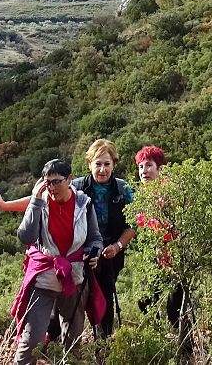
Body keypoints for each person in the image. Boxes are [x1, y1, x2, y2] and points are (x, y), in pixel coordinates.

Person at [8, 158, 104, 365]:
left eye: (56, 181)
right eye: (46, 182)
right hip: (44, 278)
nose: (50, 187)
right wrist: (35, 201)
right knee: (32, 339)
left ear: (69, 179)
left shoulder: (83, 204)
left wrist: (94, 251)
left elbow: (95, 237)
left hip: (75, 278)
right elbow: (26, 237)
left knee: (73, 340)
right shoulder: (40, 203)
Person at [72, 139, 136, 338]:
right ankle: (68, 341)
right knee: (77, 298)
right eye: (98, 163)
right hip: (81, 254)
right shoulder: (77, 187)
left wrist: (117, 246)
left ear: (114, 164)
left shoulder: (123, 189)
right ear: (89, 163)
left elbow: (135, 222)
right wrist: (5, 205)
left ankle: (104, 341)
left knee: (106, 296)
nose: (102, 169)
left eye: (107, 164)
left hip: (111, 255)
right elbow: (48, 196)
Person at [132, 145, 186, 334]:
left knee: (175, 306)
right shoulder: (141, 195)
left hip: (172, 256)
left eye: (148, 166)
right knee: (145, 300)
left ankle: (184, 349)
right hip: (151, 257)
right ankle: (158, 338)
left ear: (159, 168)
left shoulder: (169, 191)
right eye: (140, 167)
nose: (144, 171)